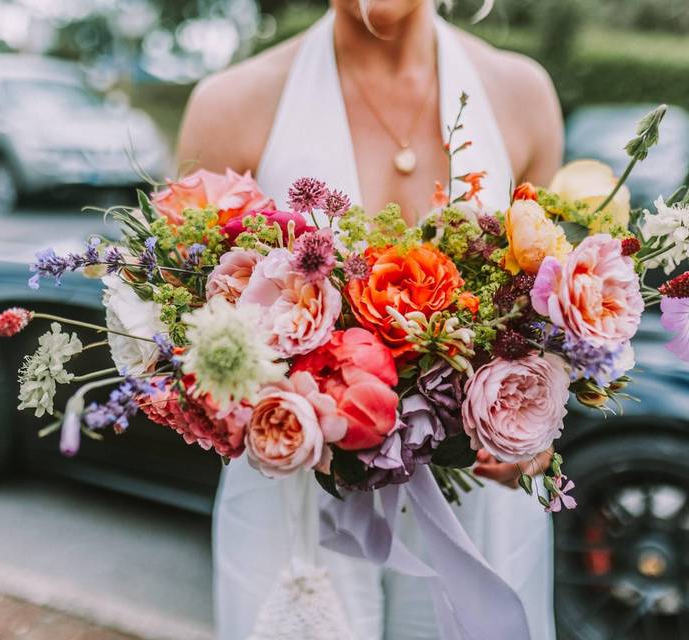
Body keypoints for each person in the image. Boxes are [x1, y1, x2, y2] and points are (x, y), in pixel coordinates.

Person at [176, 1, 563, 638]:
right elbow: (191, 336)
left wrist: (535, 417)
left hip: (480, 496)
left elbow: (547, 304)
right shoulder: (231, 105)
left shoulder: (521, 95)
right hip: (296, 497)